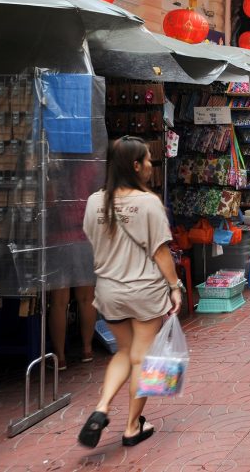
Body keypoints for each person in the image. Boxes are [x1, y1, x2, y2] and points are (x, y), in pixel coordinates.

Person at [77, 137, 184, 449]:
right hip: (144, 292)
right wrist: (175, 288)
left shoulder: (95, 202)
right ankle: (131, 426)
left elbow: (92, 238)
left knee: (124, 352)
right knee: (143, 359)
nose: (151, 165)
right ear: (135, 165)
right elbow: (161, 253)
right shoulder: (149, 202)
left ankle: (101, 408)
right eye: (148, 160)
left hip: (109, 291)